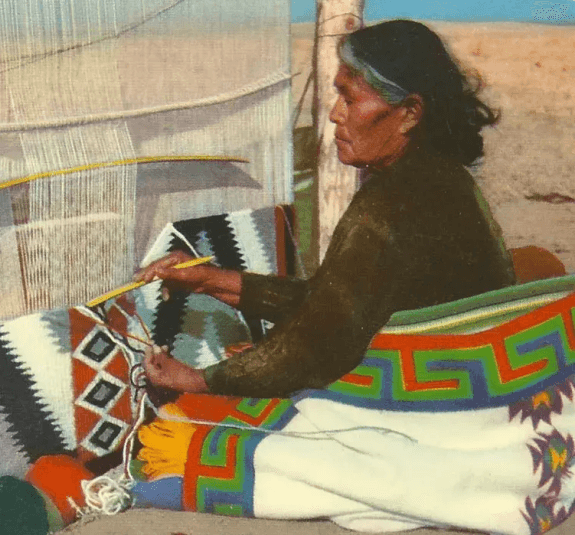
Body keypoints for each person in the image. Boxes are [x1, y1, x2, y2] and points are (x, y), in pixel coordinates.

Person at [139, 19, 516, 398]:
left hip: (436, 401)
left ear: (409, 113)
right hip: (468, 380)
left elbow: (318, 344)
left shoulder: (393, 201)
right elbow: (331, 303)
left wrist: (198, 380)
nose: (336, 114)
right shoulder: (440, 178)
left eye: (350, 99)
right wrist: (208, 280)